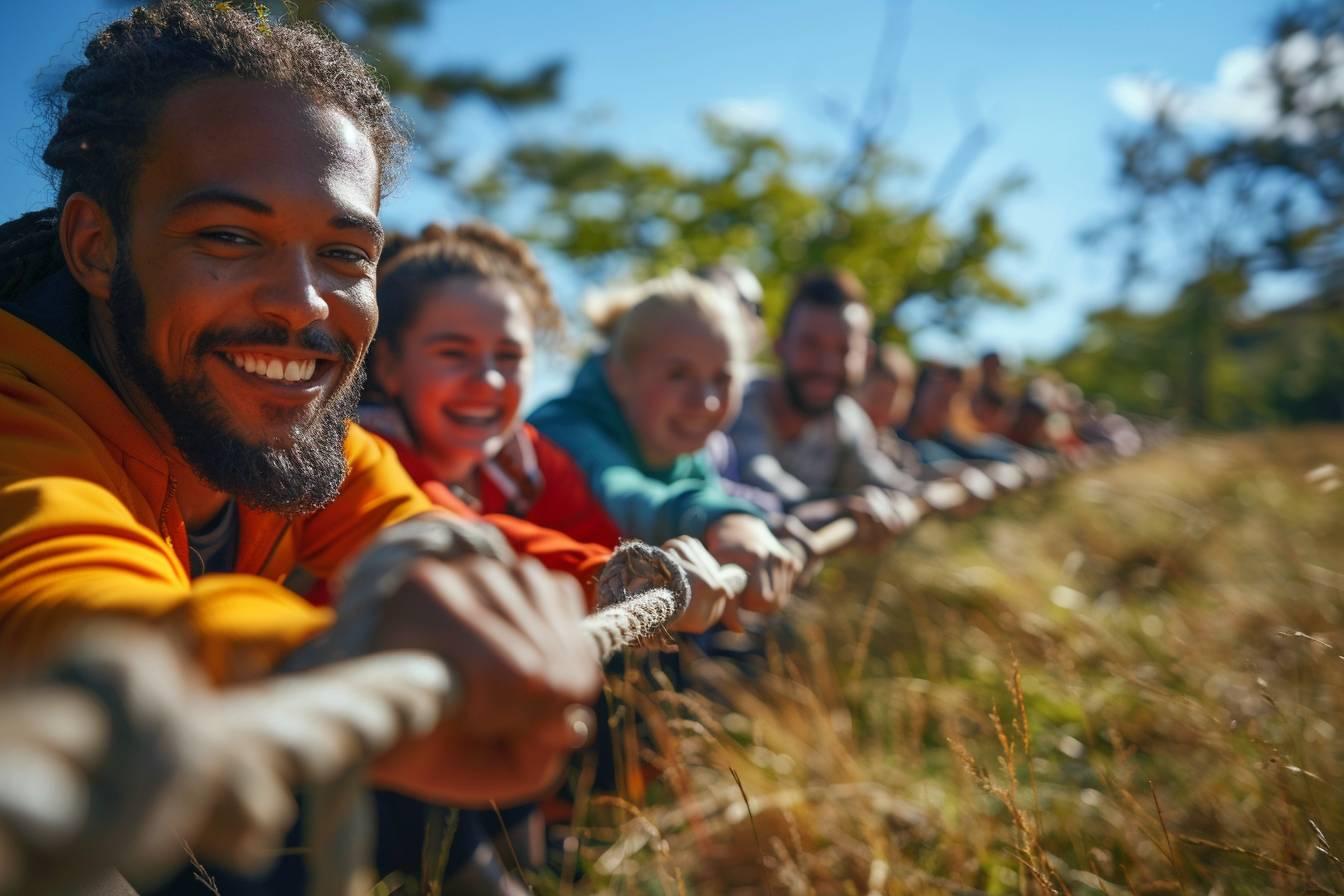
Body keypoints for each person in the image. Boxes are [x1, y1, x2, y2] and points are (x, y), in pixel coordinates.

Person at [0, 3, 601, 890]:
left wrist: (620, 575)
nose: (304, 304)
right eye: (230, 238)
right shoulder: (24, 416)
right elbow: (58, 586)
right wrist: (317, 660)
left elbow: (422, 534)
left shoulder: (294, 438)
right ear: (97, 246)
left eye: (345, 254)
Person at [530, 271, 801, 623]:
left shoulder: (684, 444)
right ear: (619, 375)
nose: (704, 402)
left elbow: (708, 492)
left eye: (722, 379)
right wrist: (725, 521)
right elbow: (626, 495)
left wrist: (771, 527)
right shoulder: (562, 429)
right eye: (677, 375)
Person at [723, 269, 919, 544]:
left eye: (843, 350)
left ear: (865, 357)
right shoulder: (735, 398)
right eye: (810, 345)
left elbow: (884, 480)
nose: (826, 365)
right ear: (780, 345)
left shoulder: (847, 420)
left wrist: (950, 483)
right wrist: (838, 505)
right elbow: (758, 476)